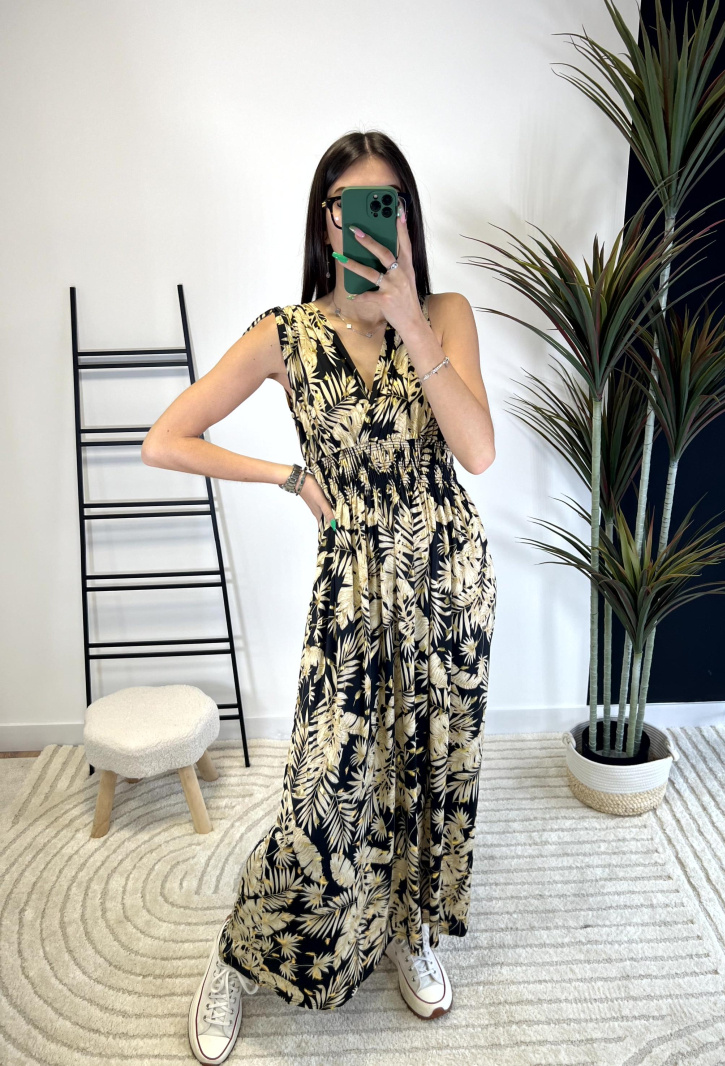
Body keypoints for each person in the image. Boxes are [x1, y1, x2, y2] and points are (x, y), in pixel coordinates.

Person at [142, 130, 497, 1064]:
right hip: (352, 593)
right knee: (320, 798)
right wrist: (289, 475)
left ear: (407, 218)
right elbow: (165, 439)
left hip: (447, 584)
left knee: (426, 776)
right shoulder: (287, 334)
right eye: (351, 206)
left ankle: (411, 932)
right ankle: (236, 953)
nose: (369, 222)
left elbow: (478, 451)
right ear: (326, 220)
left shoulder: (446, 315)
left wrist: (408, 318)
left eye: (388, 204)